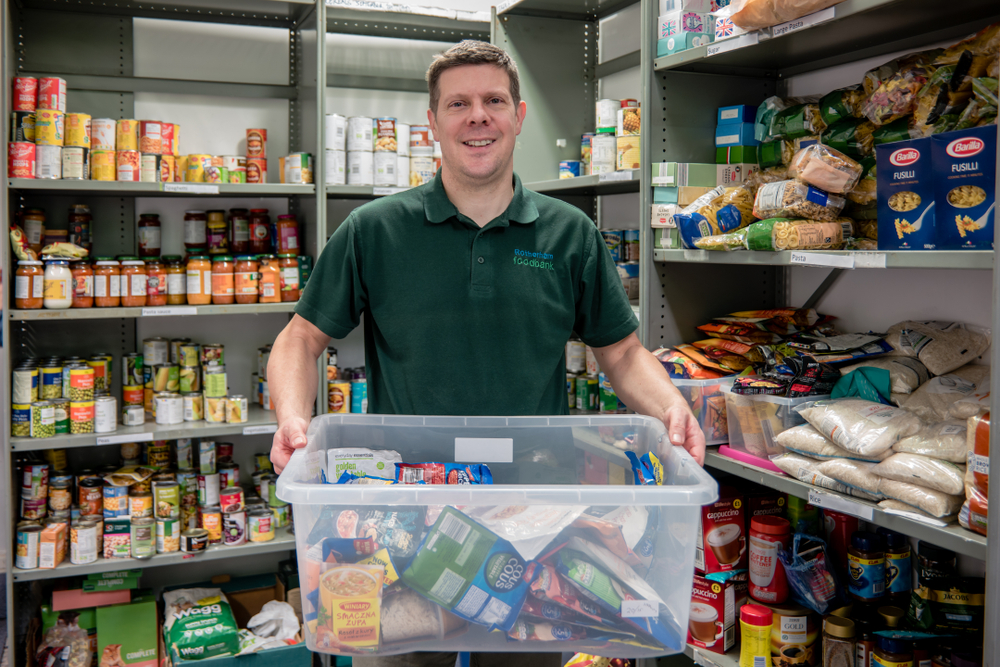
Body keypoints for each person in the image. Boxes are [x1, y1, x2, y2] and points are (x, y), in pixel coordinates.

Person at [267, 39, 705, 667]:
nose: (478, 116)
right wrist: (292, 417)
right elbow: (299, 338)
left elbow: (622, 351)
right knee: (397, 655)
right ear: (434, 124)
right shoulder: (374, 229)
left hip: (536, 513)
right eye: (459, 103)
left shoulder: (569, 233)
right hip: (404, 506)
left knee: (522, 660)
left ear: (519, 116)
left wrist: (672, 410)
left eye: (494, 100)